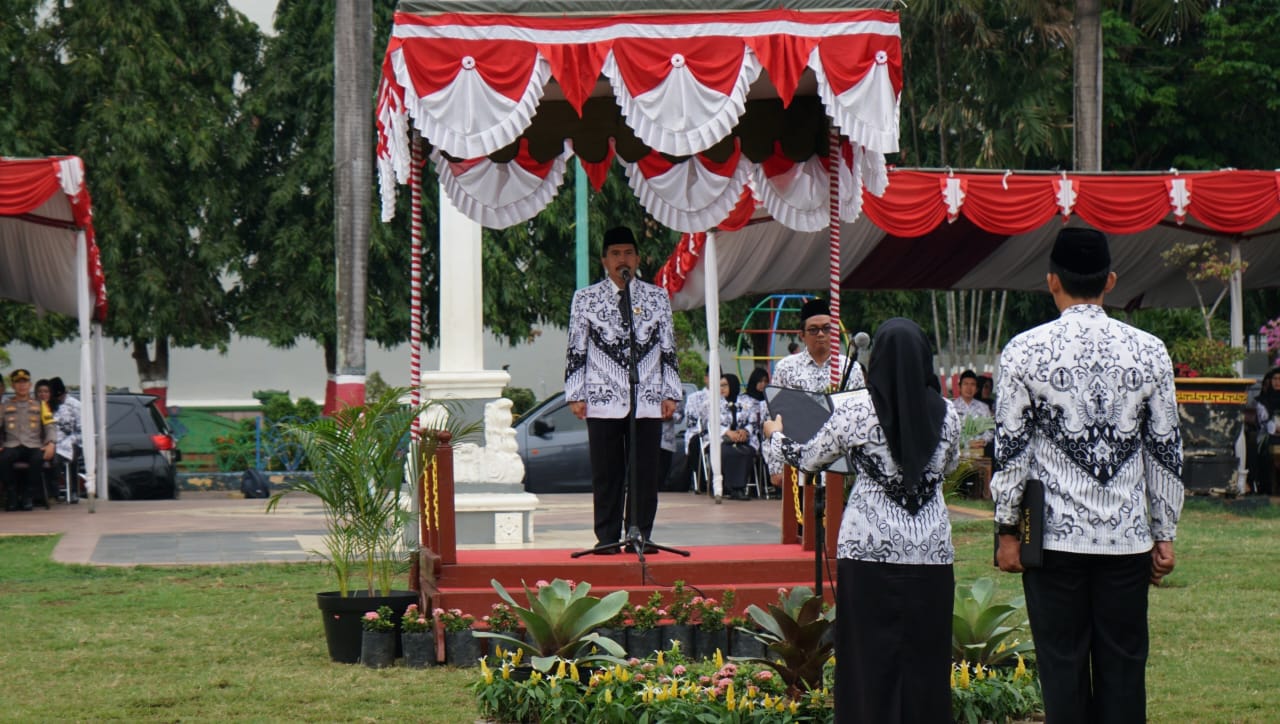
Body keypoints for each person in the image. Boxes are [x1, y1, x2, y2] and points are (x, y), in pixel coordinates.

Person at [991, 227, 1184, 724]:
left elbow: (1011, 452)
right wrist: (1165, 534)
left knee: (1061, 669)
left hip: (1052, 543)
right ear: (1111, 281)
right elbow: (1165, 449)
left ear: (1051, 281)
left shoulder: (1023, 351)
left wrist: (1006, 530)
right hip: (1126, 541)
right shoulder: (1150, 351)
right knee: (1123, 670)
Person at [764, 317, 961, 723]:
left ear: (878, 359)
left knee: (868, 659)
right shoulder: (949, 415)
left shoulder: (853, 409)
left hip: (869, 552)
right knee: (926, 659)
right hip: (931, 555)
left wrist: (775, 435)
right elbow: (949, 465)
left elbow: (810, 459)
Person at [565, 226, 681, 554]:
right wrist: (576, 393)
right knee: (607, 472)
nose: (622, 259)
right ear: (604, 260)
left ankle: (640, 533)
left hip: (647, 397)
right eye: (615, 254)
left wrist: (671, 392)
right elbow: (576, 347)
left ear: (638, 258)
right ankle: (607, 538)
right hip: (602, 397)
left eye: (628, 253)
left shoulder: (656, 297)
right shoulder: (585, 299)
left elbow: (668, 347)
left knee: (645, 471)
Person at [767, 298, 865, 486]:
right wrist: (776, 467)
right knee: (801, 513)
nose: (820, 334)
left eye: (826, 328)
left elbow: (861, 416)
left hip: (841, 461)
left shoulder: (850, 368)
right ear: (802, 335)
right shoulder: (786, 368)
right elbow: (773, 417)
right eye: (813, 330)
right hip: (799, 458)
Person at [0, 369, 57, 511]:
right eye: (18, 383)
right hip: (12, 444)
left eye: (24, 382)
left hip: (33, 445)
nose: (22, 385)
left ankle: (28, 496)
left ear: (30, 385)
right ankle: (12, 495)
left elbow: (50, 426)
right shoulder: (4, 406)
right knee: (3, 458)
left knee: (38, 458)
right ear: (12, 386)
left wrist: (51, 443)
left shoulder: (40, 405)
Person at [717, 373, 758, 501]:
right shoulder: (715, 403)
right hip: (723, 440)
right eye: (720, 386)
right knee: (727, 452)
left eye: (725, 385)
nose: (722, 389)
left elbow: (753, 421)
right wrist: (727, 432)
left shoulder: (747, 401)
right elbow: (711, 423)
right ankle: (731, 488)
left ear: (733, 385)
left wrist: (744, 432)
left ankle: (740, 489)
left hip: (744, 440)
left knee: (746, 452)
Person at [48, 377, 83, 503]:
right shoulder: (49, 405)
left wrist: (70, 441)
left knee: (63, 458)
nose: (59, 399)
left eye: (60, 396)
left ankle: (72, 491)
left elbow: (81, 429)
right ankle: (49, 492)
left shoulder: (75, 405)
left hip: (73, 440)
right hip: (52, 441)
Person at [1249, 366, 1280, 495]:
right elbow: (1264, 421)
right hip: (1268, 435)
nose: (1277, 382)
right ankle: (1267, 488)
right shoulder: (1262, 401)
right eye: (1275, 379)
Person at [953, 369, 993, 452]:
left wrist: (982, 441)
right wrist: (966, 443)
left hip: (979, 452)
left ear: (976, 389)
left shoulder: (984, 408)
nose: (969, 388)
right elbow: (949, 433)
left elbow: (990, 430)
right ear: (959, 387)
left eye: (972, 384)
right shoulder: (952, 408)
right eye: (965, 384)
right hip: (957, 453)